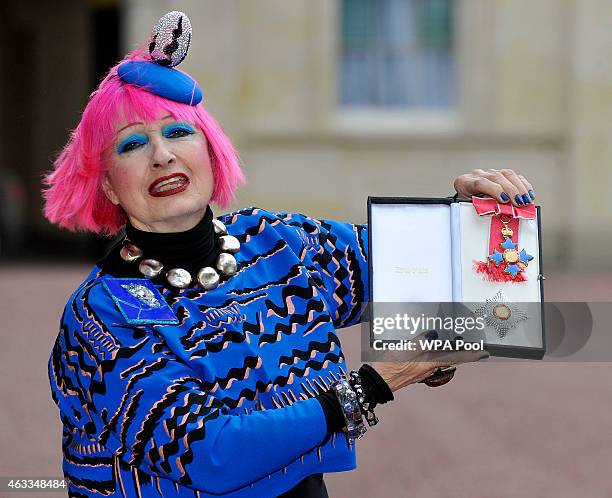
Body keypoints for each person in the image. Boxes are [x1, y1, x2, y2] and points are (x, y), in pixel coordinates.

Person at [43, 12, 538, 498]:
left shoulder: (277, 241)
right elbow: (211, 454)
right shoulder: (101, 316)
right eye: (132, 144)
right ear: (107, 182)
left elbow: (431, 278)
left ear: (210, 151)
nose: (162, 155)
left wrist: (472, 218)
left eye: (177, 132)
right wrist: (374, 384)